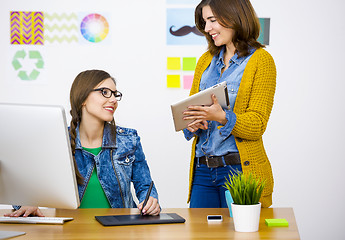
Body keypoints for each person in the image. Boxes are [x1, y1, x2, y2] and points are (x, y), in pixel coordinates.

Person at [6, 70, 160, 217]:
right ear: (83, 97)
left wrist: (150, 201)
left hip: (119, 229)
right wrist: (27, 202)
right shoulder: (58, 140)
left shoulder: (128, 139)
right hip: (71, 232)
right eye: (105, 92)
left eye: (115, 94)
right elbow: (22, 181)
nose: (113, 100)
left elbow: (145, 186)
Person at [183, 0, 276, 208]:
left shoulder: (261, 60)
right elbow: (191, 111)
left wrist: (222, 116)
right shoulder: (205, 61)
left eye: (212, 20)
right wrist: (192, 123)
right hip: (203, 171)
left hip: (239, 172)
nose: (207, 29)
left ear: (234, 17)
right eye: (205, 22)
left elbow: (258, 124)